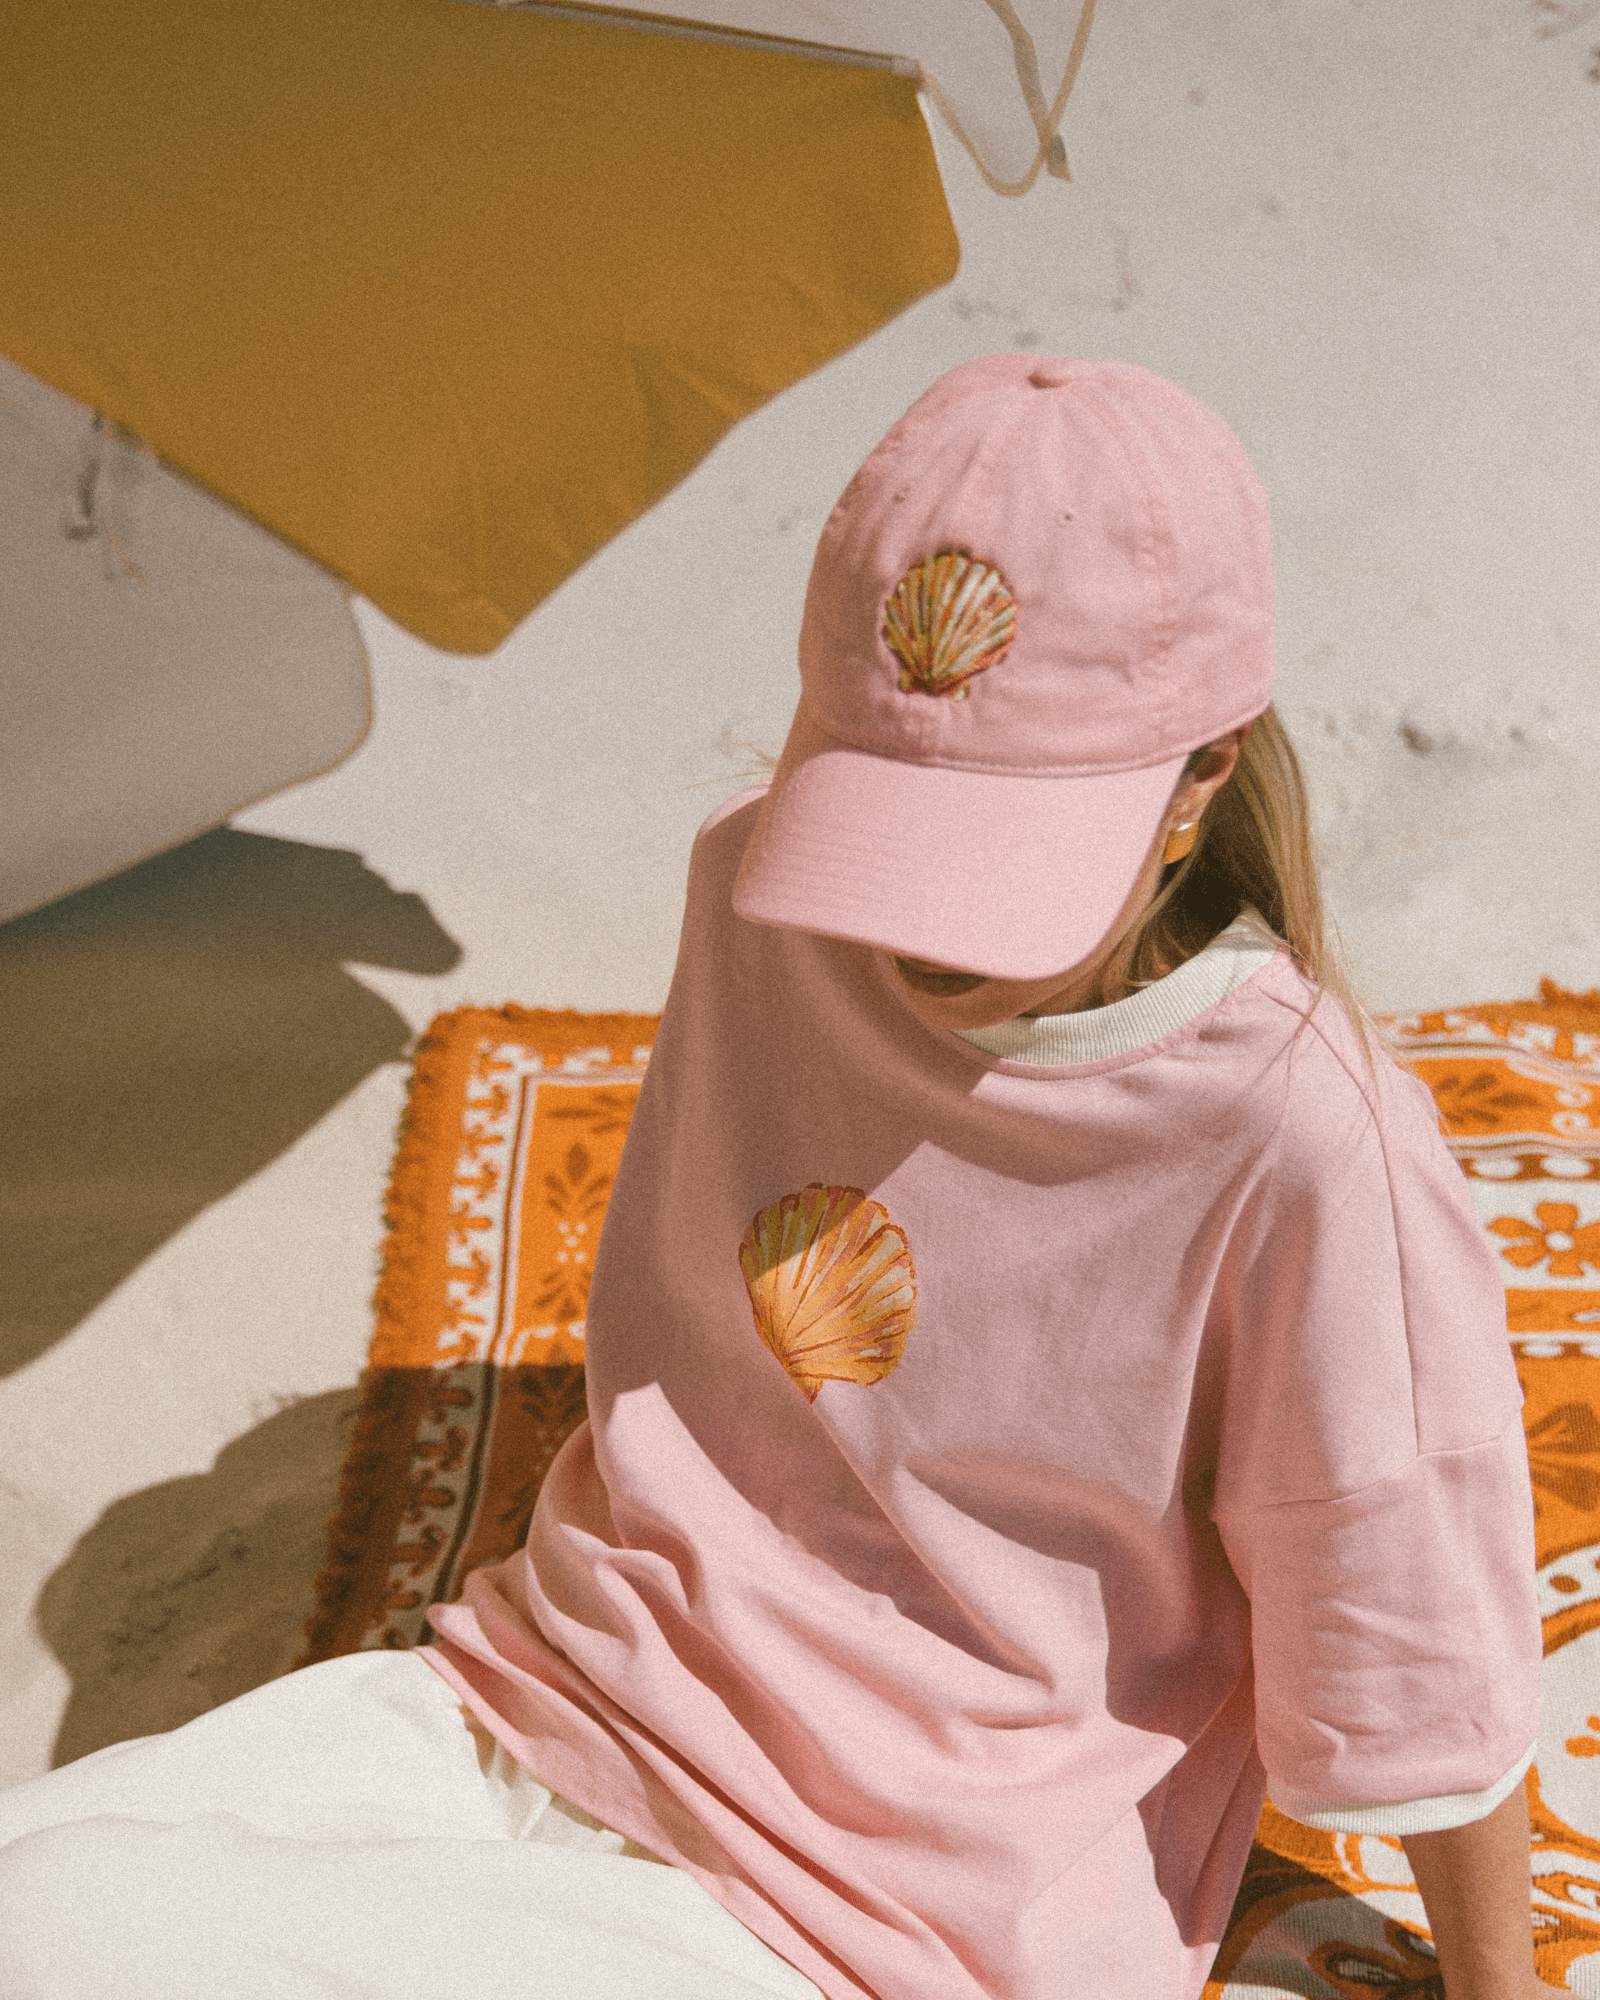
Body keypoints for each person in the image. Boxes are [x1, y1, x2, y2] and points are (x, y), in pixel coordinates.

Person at [0, 355, 1547, 2000]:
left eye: (993, 860)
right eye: (885, 828)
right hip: (544, 1691)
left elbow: (1413, 1624)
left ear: (1201, 775)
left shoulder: (1297, 1132)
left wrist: (1499, 1987)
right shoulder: (758, 896)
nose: (908, 933)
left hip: (881, 1910)